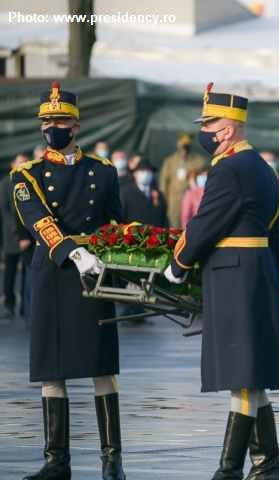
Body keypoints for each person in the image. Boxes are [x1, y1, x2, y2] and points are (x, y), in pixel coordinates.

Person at [164, 84, 279, 480]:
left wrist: (178, 263)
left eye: (212, 122)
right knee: (251, 374)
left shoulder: (229, 168)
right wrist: (273, 274)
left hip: (233, 276)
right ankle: (268, 465)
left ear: (232, 125)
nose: (207, 131)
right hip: (256, 272)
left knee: (240, 375)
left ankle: (228, 470)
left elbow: (206, 223)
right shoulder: (264, 168)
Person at [13, 81, 125, 479]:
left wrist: (125, 257)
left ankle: (112, 460)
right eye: (46, 121)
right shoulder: (26, 175)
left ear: (75, 126)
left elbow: (117, 222)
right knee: (51, 369)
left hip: (95, 272)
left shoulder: (103, 171)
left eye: (59, 121)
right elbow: (39, 221)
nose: (51, 128)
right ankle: (56, 461)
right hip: (55, 272)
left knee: (102, 366)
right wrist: (73, 252)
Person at [1, 152, 31, 320]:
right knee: (10, 273)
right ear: (13, 164)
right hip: (12, 237)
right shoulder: (6, 183)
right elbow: (5, 212)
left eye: (26, 162)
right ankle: (9, 304)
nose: (23, 164)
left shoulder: (29, 182)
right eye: (20, 162)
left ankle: (25, 307)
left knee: (28, 273)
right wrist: (18, 234)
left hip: (28, 235)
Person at [159, 133, 206, 227]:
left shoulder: (199, 161)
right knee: (173, 226)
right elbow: (163, 182)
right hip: (174, 201)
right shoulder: (170, 161)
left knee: (191, 225)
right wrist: (164, 201)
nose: (184, 149)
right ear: (178, 145)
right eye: (182, 146)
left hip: (193, 200)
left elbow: (204, 178)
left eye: (186, 146)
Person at [120, 159, 168, 227]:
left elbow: (164, 217)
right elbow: (121, 217)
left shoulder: (159, 194)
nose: (145, 174)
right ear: (135, 174)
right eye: (142, 171)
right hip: (132, 234)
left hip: (154, 234)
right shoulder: (125, 193)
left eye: (148, 171)